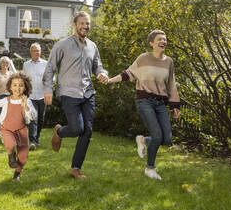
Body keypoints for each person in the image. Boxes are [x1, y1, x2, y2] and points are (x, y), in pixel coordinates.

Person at [43, 11, 108, 179]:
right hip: (69, 92)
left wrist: (102, 73)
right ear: (75, 25)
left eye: (88, 24)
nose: (85, 26)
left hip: (88, 93)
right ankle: (59, 132)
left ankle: (75, 168)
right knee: (77, 128)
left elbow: (98, 66)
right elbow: (50, 67)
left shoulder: (92, 46)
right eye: (82, 23)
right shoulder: (62, 45)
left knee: (88, 131)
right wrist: (48, 89)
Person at [107, 29, 180, 180]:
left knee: (167, 139)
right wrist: (109, 80)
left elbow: (171, 84)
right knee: (157, 135)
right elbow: (128, 74)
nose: (163, 42)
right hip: (144, 101)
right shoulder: (143, 59)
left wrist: (174, 105)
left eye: (164, 39)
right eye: (159, 39)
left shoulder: (168, 62)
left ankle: (144, 140)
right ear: (151, 43)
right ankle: (150, 169)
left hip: (160, 103)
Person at [0, 72, 37, 181]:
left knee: (23, 158)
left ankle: (17, 173)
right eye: (15, 85)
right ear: (10, 87)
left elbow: (33, 116)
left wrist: (26, 107)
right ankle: (11, 156)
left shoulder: (27, 101)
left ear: (25, 87)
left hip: (22, 131)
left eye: (21, 85)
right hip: (7, 130)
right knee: (10, 144)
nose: (18, 88)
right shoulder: (6, 100)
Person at [22, 42, 48, 150]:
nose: (36, 52)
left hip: (43, 95)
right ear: (30, 52)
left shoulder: (46, 64)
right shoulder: (26, 64)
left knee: (41, 119)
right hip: (31, 96)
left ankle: (36, 139)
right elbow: (23, 79)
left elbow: (52, 78)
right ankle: (32, 141)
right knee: (33, 118)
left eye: (37, 50)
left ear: (40, 52)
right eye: (34, 50)